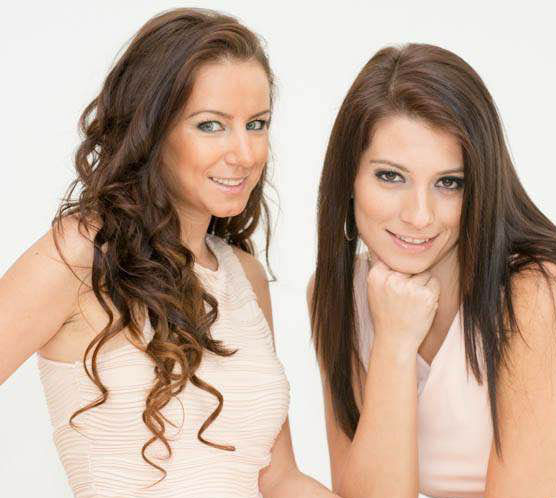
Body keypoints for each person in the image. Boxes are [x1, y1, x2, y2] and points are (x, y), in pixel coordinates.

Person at [308, 43, 556, 498]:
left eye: (449, 183)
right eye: (391, 176)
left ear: (481, 187)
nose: (419, 215)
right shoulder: (340, 294)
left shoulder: (541, 291)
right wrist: (394, 341)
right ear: (348, 177)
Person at [0, 8, 337, 498]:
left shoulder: (243, 275)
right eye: (211, 125)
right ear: (153, 130)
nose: (245, 153)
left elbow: (279, 477)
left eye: (257, 124)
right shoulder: (82, 254)